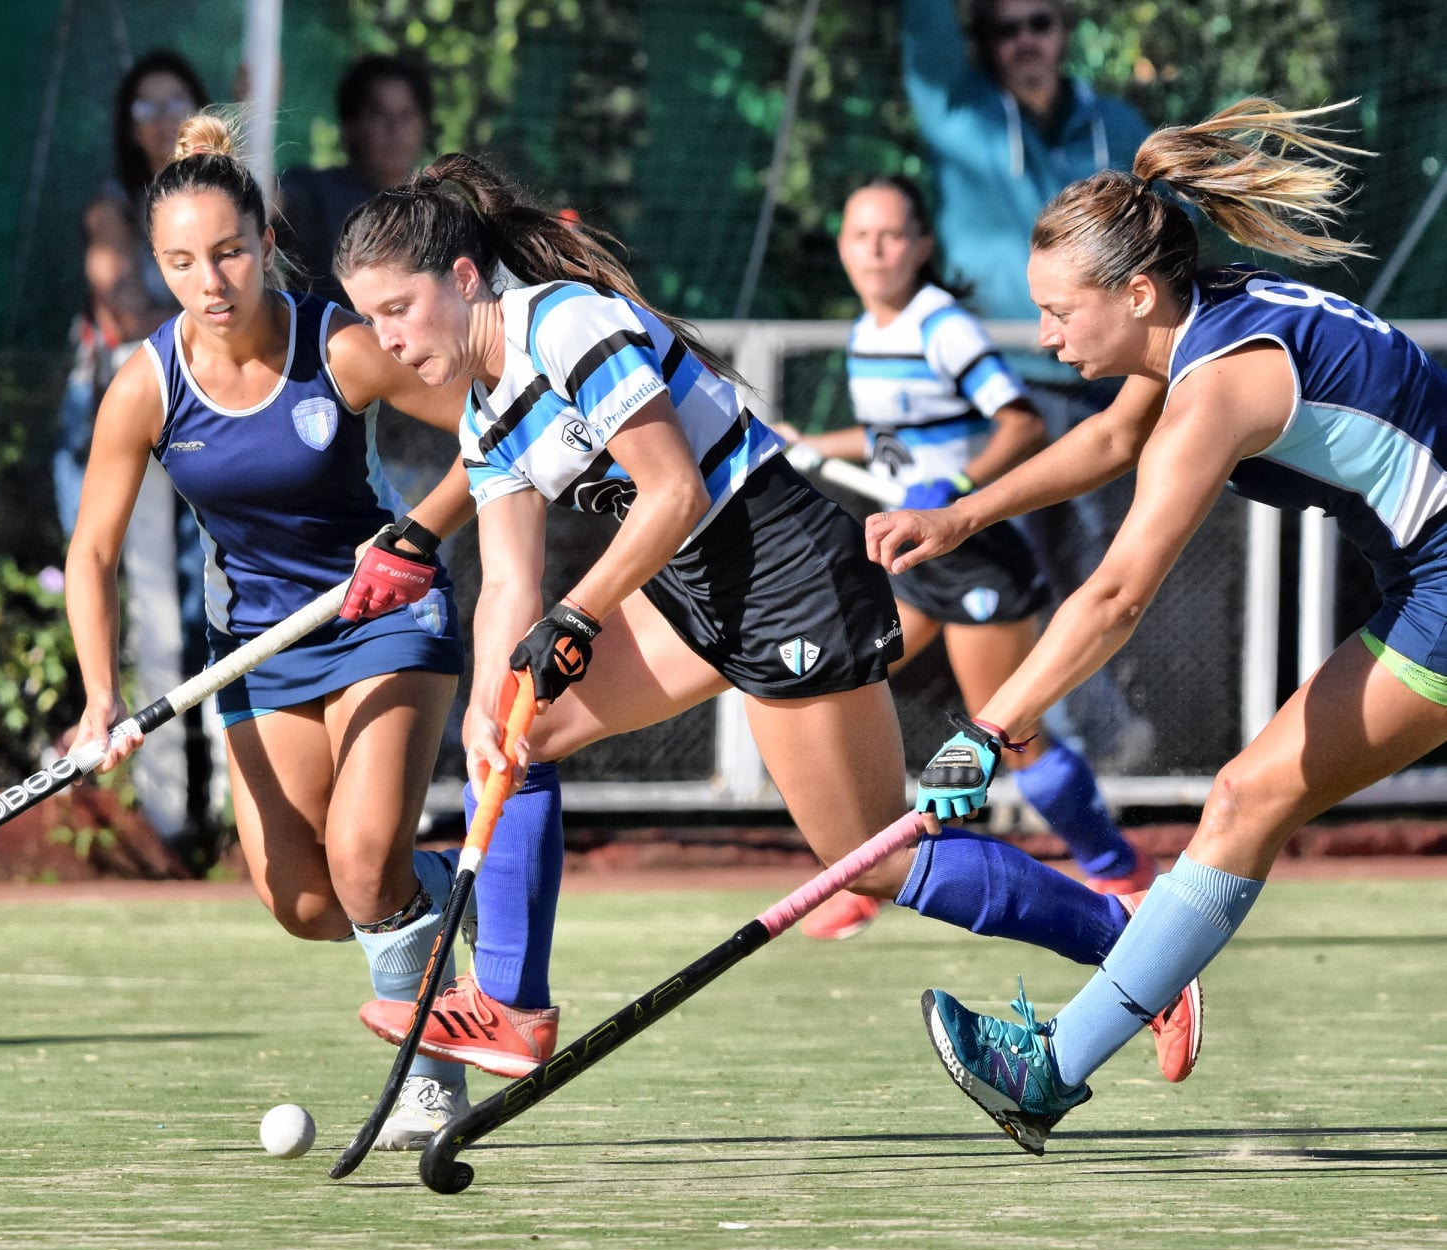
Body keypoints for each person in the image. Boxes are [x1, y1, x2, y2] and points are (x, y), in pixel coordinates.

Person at [334, 152, 1198, 1086]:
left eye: (398, 308)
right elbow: (506, 581)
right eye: (368, 318)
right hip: (694, 585)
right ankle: (509, 1006)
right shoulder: (485, 412)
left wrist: (580, 611)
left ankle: (1135, 953)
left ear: (462, 278)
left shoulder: (565, 325)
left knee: (866, 856)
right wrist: (485, 706)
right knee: (523, 729)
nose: (386, 340)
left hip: (779, 566)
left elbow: (669, 492)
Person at [867, 98, 1426, 1155]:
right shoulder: (1187, 326)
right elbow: (1110, 443)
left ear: (1132, 292)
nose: (1042, 335)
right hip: (1420, 578)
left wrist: (989, 727)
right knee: (1247, 799)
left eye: (1056, 312)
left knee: (1247, 795)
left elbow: (1119, 593)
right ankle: (1049, 1070)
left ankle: (1044, 1072)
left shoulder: (1215, 384)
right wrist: (960, 513)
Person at [64, 109, 486, 1150]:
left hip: (388, 615)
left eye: (228, 253)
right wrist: (100, 697)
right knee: (304, 902)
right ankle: (441, 889)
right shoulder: (146, 385)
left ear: (262, 241)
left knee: (358, 860)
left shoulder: (336, 346)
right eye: (181, 262)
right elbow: (92, 554)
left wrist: (412, 538)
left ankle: (431, 1076)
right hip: (263, 644)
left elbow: (494, 424)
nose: (210, 282)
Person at [777, 175, 1152, 942]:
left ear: (918, 246)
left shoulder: (939, 324)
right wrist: (814, 445)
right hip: (918, 563)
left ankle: (1117, 870)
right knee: (844, 688)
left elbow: (1017, 424)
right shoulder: (866, 333)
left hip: (973, 554)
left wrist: (949, 490)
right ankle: (862, 865)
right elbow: (895, 443)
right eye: (858, 235)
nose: (873, 250)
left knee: (1013, 737)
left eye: (889, 235)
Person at [902, 0, 1156, 771]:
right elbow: (924, 28)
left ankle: (1073, 742)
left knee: (1097, 563)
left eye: (1038, 23)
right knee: (989, 562)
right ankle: (1062, 742)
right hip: (999, 391)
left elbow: (1165, 239)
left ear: (1064, 31)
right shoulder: (958, 108)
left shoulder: (1117, 124)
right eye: (1005, 29)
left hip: (1111, 383)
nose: (1024, 42)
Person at [52, 50, 218, 856]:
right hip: (132, 407)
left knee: (215, 601)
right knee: (144, 602)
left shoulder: (235, 200)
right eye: (144, 106)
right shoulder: (113, 207)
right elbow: (124, 310)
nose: (158, 120)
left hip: (217, 406)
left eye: (174, 103)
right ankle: (169, 813)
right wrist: (208, 308)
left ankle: (220, 803)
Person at [276, 53, 434, 308]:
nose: (394, 128)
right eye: (379, 114)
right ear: (351, 125)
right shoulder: (313, 192)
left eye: (406, 115)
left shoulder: (441, 212)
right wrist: (255, 106)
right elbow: (253, 201)